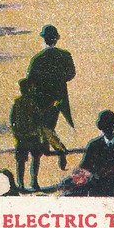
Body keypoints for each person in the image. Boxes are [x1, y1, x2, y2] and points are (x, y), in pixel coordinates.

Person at [26, 25, 76, 171]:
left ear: (44, 39)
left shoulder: (38, 58)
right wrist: (58, 80)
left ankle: (58, 148)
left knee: (43, 124)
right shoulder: (65, 55)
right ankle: (49, 146)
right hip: (59, 95)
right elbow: (71, 73)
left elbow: (30, 78)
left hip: (42, 96)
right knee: (50, 122)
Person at [71, 111, 114, 197]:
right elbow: (84, 167)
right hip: (98, 187)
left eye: (109, 127)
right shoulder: (94, 145)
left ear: (113, 127)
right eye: (105, 127)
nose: (107, 130)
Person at [10, 78, 44, 193]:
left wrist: (16, 131)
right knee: (35, 158)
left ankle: (22, 184)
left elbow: (12, 119)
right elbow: (38, 118)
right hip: (32, 135)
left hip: (21, 136)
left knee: (21, 161)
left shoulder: (17, 102)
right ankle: (33, 182)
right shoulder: (33, 102)